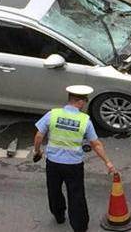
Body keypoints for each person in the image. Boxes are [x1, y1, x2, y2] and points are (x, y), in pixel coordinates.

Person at [33, 85, 116, 232]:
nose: (84, 104)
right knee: (76, 194)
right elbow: (96, 144)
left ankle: (59, 216)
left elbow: (39, 135)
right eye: (85, 101)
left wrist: (37, 151)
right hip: (74, 165)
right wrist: (107, 162)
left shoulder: (52, 114)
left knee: (54, 190)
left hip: (53, 163)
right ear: (80, 101)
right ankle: (80, 226)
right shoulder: (85, 121)